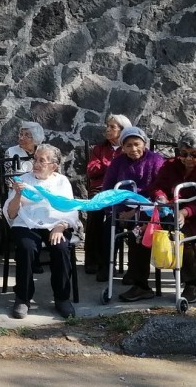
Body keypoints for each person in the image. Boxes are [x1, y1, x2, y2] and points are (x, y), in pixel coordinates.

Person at [118, 131, 196, 303]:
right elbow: (156, 186)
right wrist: (160, 197)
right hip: (168, 213)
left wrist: (185, 212)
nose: (188, 159)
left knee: (178, 234)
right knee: (139, 233)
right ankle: (140, 285)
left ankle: (193, 283)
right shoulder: (171, 165)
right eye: (184, 154)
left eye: (194, 154)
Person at [3, 144, 79, 320]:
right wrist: (17, 195)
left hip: (56, 224)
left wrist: (61, 227)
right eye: (35, 159)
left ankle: (62, 298)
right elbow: (11, 214)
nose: (36, 164)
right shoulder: (23, 180)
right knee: (26, 248)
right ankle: (23, 298)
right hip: (26, 224)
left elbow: (70, 209)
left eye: (41, 161)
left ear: (53, 166)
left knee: (61, 248)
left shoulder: (62, 182)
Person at [85, 114, 132, 278]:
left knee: (117, 217)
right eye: (108, 126)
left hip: (121, 191)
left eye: (112, 127)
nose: (107, 129)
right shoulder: (100, 149)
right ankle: (92, 260)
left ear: (122, 130)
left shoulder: (128, 148)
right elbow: (91, 171)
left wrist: (105, 166)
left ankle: (109, 261)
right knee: (95, 211)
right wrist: (112, 166)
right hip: (100, 190)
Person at [102, 126, 164, 195]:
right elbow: (107, 186)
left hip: (148, 199)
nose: (133, 149)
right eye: (128, 146)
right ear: (123, 147)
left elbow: (161, 186)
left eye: (137, 144)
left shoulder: (155, 160)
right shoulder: (117, 162)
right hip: (122, 199)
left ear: (144, 145)